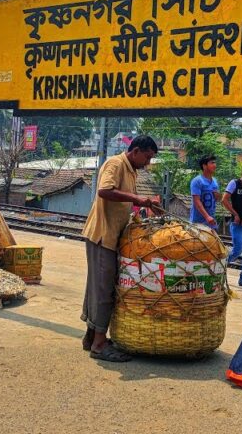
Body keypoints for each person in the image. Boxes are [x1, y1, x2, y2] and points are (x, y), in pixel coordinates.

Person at [81, 135, 161, 362]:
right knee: (104, 291)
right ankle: (98, 344)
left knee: (99, 288)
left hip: (112, 236)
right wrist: (138, 198)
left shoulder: (132, 170)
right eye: (147, 157)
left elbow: (122, 201)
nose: (147, 163)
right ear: (135, 150)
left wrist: (142, 206)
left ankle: (90, 338)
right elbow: (105, 191)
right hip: (102, 236)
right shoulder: (115, 164)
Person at [189, 155, 220, 229]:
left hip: (211, 222)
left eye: (215, 163)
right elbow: (196, 201)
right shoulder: (197, 181)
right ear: (204, 166)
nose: (215, 165)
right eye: (212, 163)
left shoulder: (215, 181)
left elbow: (217, 199)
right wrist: (207, 217)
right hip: (198, 222)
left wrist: (217, 195)